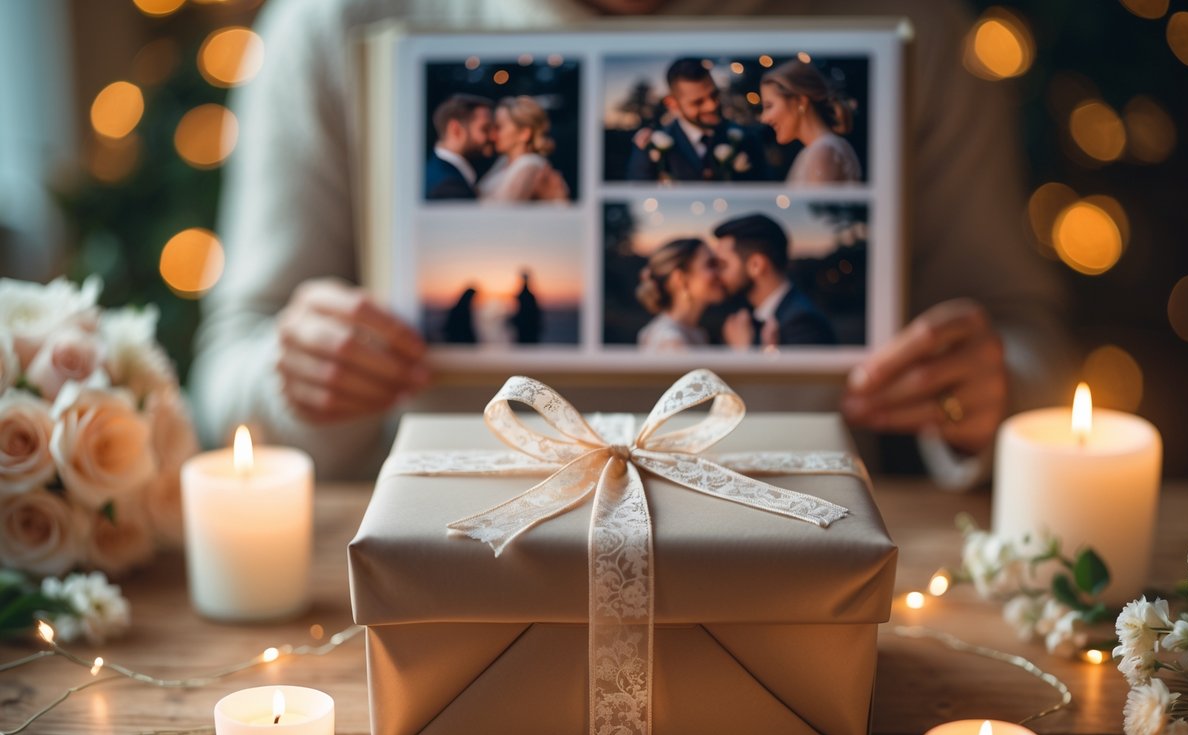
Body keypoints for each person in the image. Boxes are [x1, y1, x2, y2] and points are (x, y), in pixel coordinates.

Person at [191, 0, 1072, 485]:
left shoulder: (909, 27)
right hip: (454, 560)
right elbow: (228, 375)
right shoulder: (334, 25)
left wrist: (980, 391)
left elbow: (1025, 346)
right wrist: (299, 373)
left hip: (798, 555)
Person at [624, 57, 768, 183]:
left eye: (714, 95)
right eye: (698, 102)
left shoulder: (747, 139)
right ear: (672, 104)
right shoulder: (650, 146)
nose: (712, 106)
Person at [712, 213, 838, 348]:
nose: (717, 275)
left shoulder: (804, 324)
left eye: (723, 265)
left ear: (756, 265)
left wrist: (743, 353)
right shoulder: (751, 318)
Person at [760, 59, 862, 184]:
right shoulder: (817, 150)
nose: (764, 118)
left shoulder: (823, 151)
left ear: (800, 102)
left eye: (769, 106)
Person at [634, 238, 733, 351]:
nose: (720, 272)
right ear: (680, 279)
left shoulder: (697, 333)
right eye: (710, 264)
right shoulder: (670, 340)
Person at [478, 97, 569, 203]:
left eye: (499, 127)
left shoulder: (530, 165)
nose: (493, 135)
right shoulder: (503, 162)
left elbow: (503, 211)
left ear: (524, 133)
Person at [425, 94, 495, 200]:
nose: (493, 136)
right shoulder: (449, 187)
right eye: (485, 129)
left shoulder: (435, 170)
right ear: (456, 129)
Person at [509, 270, 543, 343]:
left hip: (527, 329)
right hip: (527, 328)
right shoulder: (528, 296)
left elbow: (527, 313)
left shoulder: (527, 296)